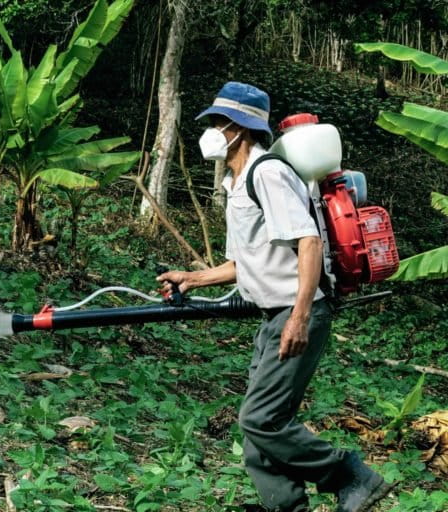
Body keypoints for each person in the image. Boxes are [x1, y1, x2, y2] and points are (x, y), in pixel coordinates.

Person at [157, 82, 392, 512]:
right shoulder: (238, 182)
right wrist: (194, 277)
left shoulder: (267, 173)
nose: (211, 130)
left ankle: (350, 474)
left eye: (218, 122)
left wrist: (299, 317)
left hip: (297, 312)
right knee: (257, 432)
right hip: (273, 315)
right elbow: (247, 260)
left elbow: (309, 243)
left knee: (260, 419)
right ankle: (285, 507)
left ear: (241, 129)